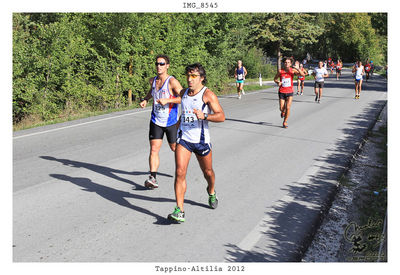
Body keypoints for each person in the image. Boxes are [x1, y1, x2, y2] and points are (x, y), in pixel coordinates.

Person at [167, 63, 225, 223]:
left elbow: (221, 116)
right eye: (188, 76)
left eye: (193, 76)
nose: (190, 79)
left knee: (208, 172)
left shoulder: (208, 95)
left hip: (201, 141)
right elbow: (183, 115)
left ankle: (211, 190)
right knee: (179, 172)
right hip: (184, 139)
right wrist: (174, 135)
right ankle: (180, 210)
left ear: (202, 78)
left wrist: (205, 116)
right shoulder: (184, 93)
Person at [139, 55, 183, 189]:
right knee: (154, 149)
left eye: (162, 64)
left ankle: (181, 170)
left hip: (171, 122)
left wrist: (168, 100)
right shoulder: (153, 81)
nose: (159, 66)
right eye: (157, 64)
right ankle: (153, 178)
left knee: (174, 148)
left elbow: (184, 98)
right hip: (156, 121)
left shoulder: (172, 82)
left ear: (167, 66)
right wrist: (146, 99)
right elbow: (151, 92)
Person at [274, 57, 305, 128]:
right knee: (281, 108)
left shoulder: (292, 71)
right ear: (284, 63)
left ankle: (285, 121)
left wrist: (297, 68)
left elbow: (302, 75)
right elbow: (275, 79)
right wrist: (277, 82)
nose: (287, 64)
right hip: (282, 91)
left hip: (290, 91)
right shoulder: (280, 71)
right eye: (285, 62)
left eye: (288, 62)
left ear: (291, 64)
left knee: (288, 107)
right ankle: (283, 112)